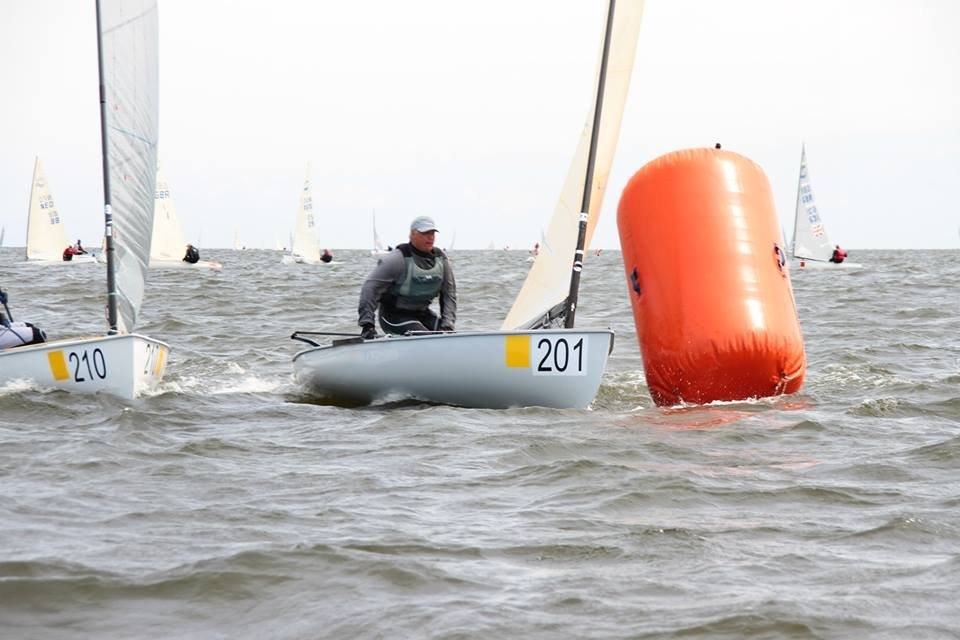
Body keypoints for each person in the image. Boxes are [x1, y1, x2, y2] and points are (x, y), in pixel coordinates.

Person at [358, 215, 457, 339]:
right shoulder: (396, 259)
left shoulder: (441, 259)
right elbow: (370, 288)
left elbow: (449, 293)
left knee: (448, 337)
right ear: (412, 234)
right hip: (393, 316)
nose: (430, 237)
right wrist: (367, 325)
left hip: (423, 314)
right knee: (425, 337)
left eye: (432, 233)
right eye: (425, 233)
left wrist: (447, 325)